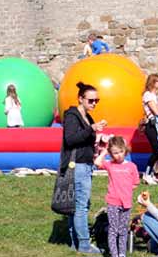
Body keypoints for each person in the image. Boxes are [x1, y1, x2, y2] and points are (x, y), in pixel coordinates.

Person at [62, 82, 107, 254]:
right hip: (78, 166)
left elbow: (85, 138)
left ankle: (75, 243)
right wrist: (92, 129)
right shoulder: (73, 116)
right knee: (82, 206)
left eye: (97, 100)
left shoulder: (87, 117)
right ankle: (85, 244)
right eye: (91, 100)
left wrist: (99, 138)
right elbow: (71, 139)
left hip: (85, 164)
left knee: (76, 206)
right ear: (80, 99)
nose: (94, 103)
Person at [94, 136, 140, 257]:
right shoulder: (110, 164)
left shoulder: (132, 166)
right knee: (113, 230)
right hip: (113, 203)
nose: (118, 155)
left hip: (126, 203)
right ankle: (114, 254)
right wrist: (104, 151)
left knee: (123, 230)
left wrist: (125, 190)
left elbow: (135, 183)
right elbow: (97, 162)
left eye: (121, 151)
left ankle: (122, 253)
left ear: (125, 150)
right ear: (111, 153)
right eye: (115, 153)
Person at [142, 74, 158, 185]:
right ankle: (147, 174)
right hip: (151, 125)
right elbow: (156, 111)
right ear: (153, 82)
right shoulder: (148, 95)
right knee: (156, 149)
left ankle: (153, 173)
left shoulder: (157, 97)